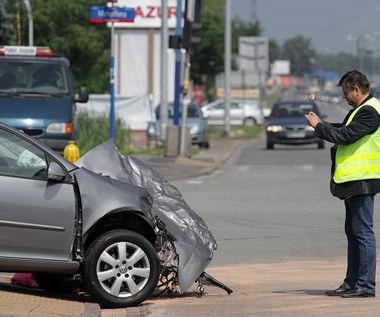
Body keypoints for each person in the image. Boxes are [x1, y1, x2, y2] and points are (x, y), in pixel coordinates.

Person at [305, 70, 380, 298]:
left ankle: (365, 286)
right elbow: (343, 128)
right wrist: (323, 125)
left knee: (363, 233)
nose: (344, 97)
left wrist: (320, 127)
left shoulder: (369, 111)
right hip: (354, 180)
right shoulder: (360, 110)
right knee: (354, 232)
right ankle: (351, 282)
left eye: (346, 92)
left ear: (356, 89)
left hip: (363, 179)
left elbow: (346, 135)